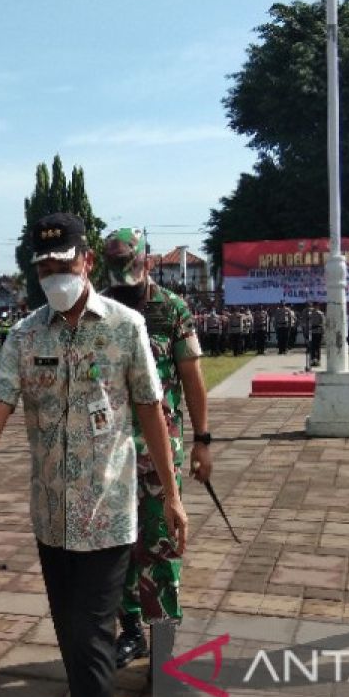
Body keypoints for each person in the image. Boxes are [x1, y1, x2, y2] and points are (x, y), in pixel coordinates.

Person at [0, 213, 188, 697]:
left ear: (87, 261)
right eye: (44, 265)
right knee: (72, 634)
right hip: (52, 519)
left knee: (93, 640)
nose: (54, 273)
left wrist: (171, 492)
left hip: (109, 514)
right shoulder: (25, 336)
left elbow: (149, 409)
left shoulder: (126, 328)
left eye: (63, 262)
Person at [100, 228, 211, 673]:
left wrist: (203, 441)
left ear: (146, 260)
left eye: (131, 267)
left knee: (161, 548)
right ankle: (130, 632)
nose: (125, 282)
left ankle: (164, 648)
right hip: (110, 452)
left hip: (160, 451)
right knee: (118, 548)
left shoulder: (171, 309)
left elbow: (192, 378)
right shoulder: (101, 307)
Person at [304, 301, 326, 367]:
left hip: (313, 332)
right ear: (317, 306)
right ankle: (316, 360)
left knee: (313, 347)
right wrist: (323, 333)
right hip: (317, 331)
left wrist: (306, 332)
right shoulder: (320, 313)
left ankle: (314, 360)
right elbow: (323, 324)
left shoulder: (310, 314)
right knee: (316, 347)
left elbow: (307, 324)